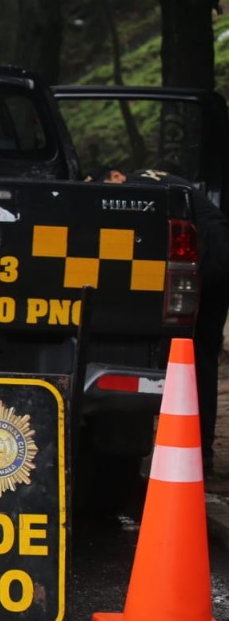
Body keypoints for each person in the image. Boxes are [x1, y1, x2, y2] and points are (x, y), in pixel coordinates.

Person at [91, 166, 229, 475]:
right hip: (220, 245)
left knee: (181, 353)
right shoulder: (157, 177)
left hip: (203, 251)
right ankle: (200, 452)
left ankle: (185, 448)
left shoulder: (138, 187)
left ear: (115, 176)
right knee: (200, 355)